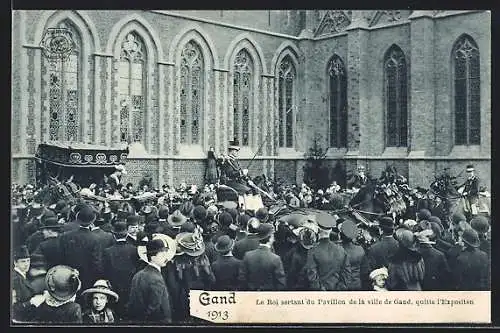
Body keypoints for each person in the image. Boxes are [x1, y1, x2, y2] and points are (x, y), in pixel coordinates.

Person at [127, 236, 177, 323]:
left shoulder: (138, 275)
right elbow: (155, 308)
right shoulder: (156, 278)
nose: (166, 258)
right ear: (153, 257)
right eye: (162, 255)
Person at [59, 204, 104, 291]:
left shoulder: (66, 236)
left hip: (67, 274)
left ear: (78, 219)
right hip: (87, 277)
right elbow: (96, 262)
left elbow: (61, 256)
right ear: (92, 221)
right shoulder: (95, 239)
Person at [102, 221, 140, 320]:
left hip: (113, 286)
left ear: (114, 235)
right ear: (127, 234)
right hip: (130, 285)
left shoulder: (107, 251)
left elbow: (104, 270)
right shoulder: (134, 249)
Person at [303, 213, 351, 291]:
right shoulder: (341, 250)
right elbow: (347, 274)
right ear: (331, 230)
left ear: (318, 230)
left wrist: (322, 291)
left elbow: (312, 277)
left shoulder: (312, 251)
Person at [239, 222, 286, 291]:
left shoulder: (248, 256)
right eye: (273, 236)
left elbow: (242, 279)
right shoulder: (276, 259)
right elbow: (281, 284)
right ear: (270, 238)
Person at [339, 220, 365, 290]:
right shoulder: (360, 249)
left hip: (342, 285)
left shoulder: (338, 250)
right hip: (356, 284)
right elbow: (364, 269)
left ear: (341, 235)